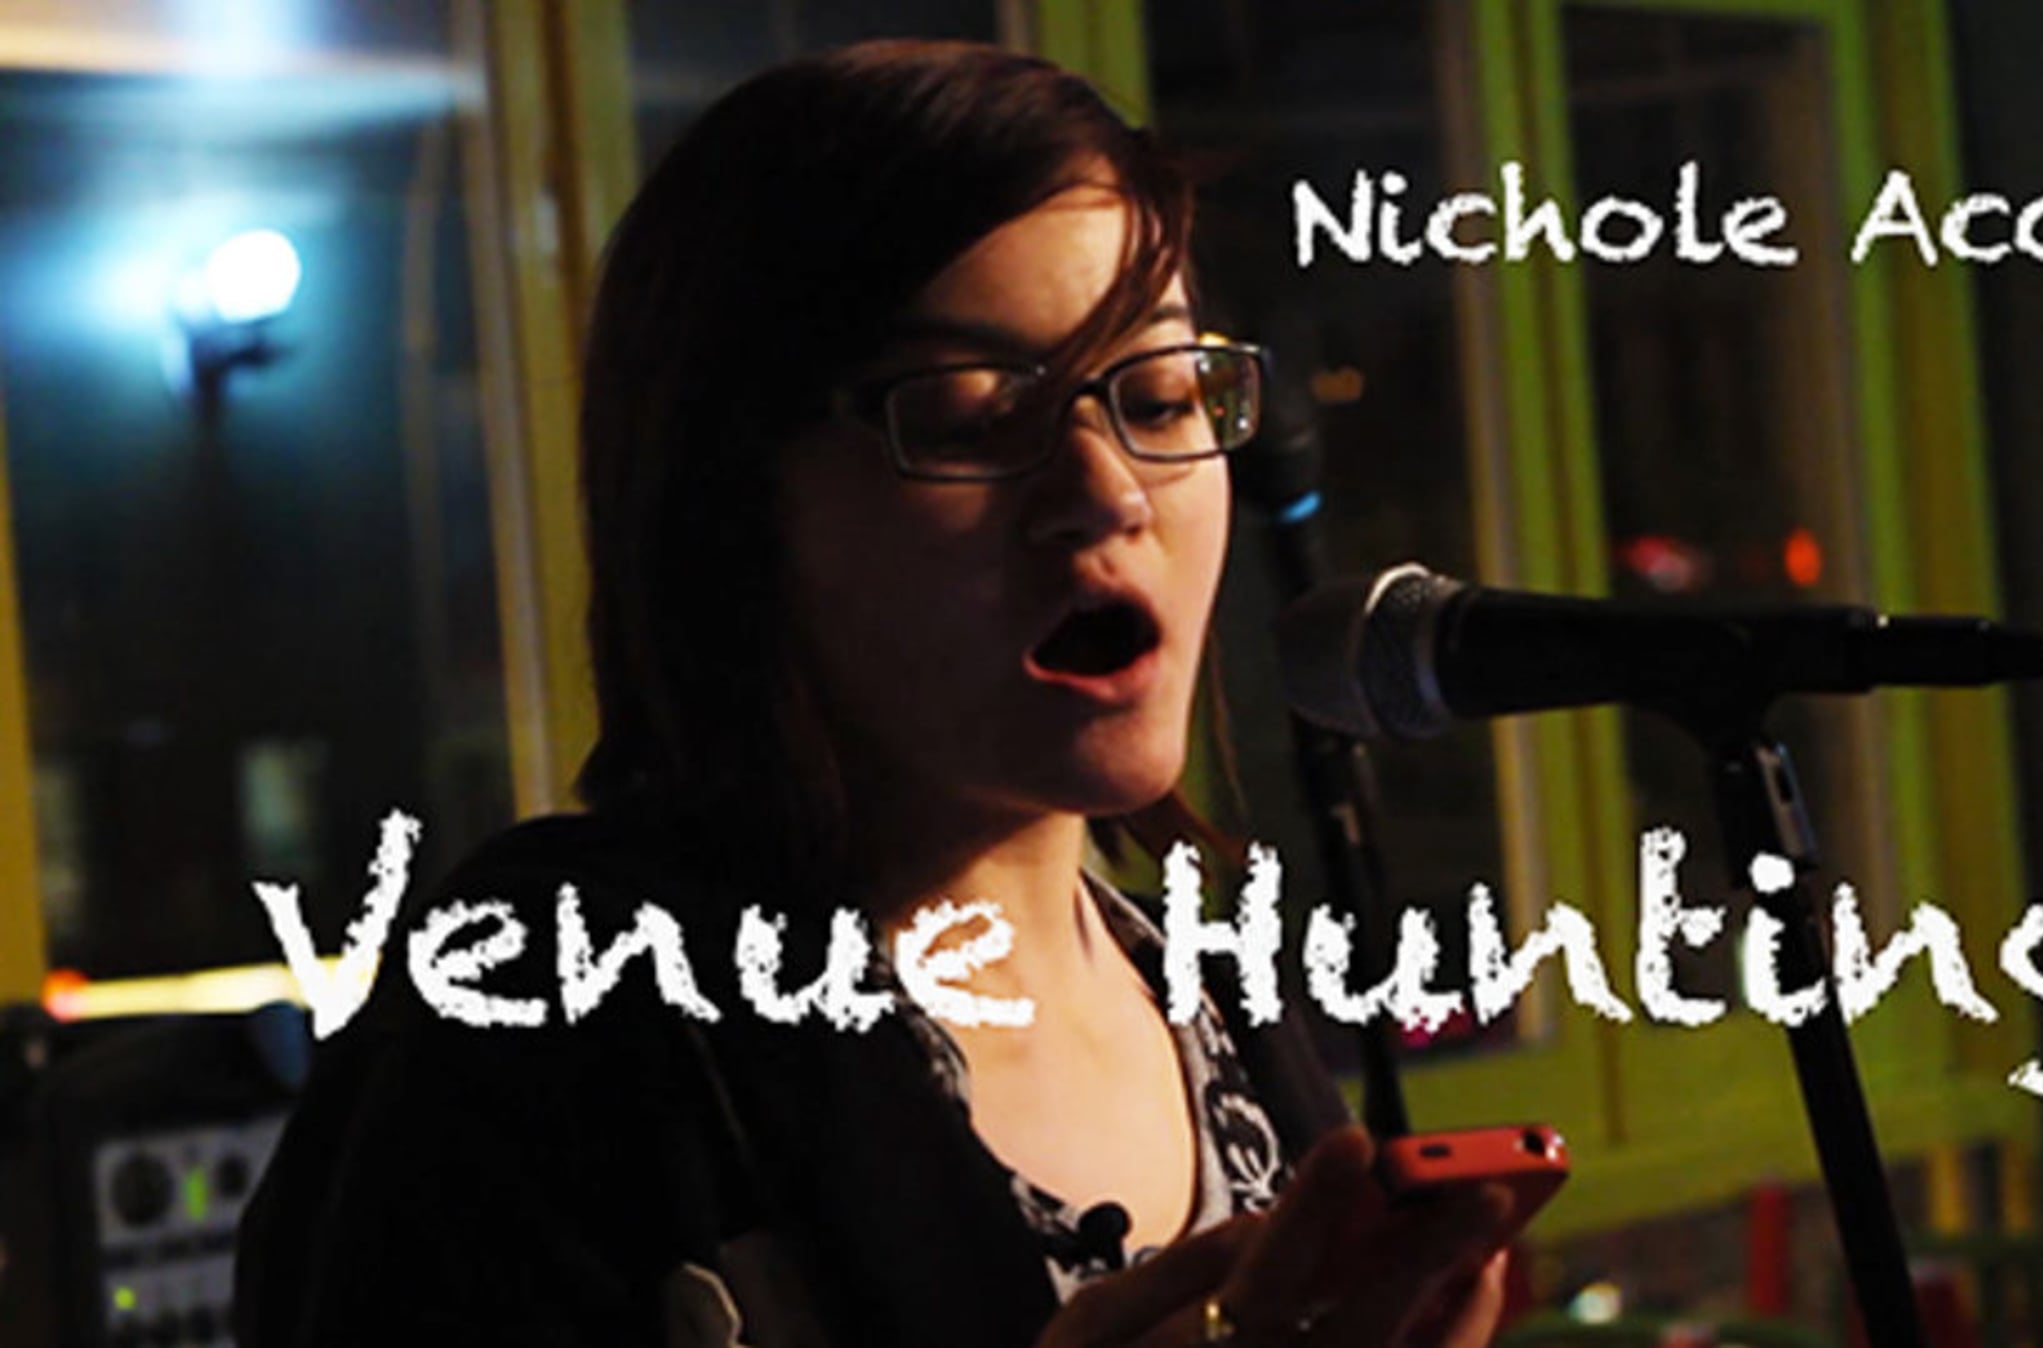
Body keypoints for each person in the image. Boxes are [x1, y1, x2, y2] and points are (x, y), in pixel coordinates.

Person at [235, 39, 1515, 1348]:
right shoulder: (541, 1019)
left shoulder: (1211, 989)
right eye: (969, 418)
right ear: (731, 503)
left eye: (1163, 394)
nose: (1108, 492)